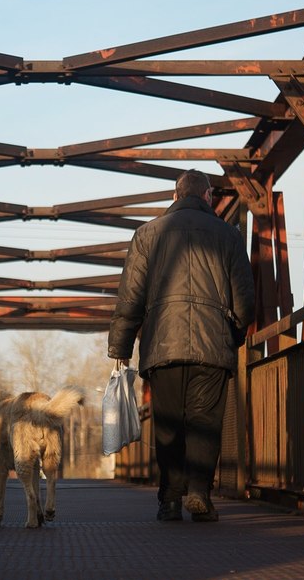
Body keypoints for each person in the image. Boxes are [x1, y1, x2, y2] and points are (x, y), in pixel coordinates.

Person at [108, 169, 256, 522]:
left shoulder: (146, 235)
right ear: (207, 197)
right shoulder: (228, 235)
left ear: (175, 197)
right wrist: (232, 335)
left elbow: (130, 297)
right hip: (212, 346)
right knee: (205, 421)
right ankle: (199, 493)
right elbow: (245, 302)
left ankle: (170, 500)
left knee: (169, 424)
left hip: (163, 346)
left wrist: (120, 347)